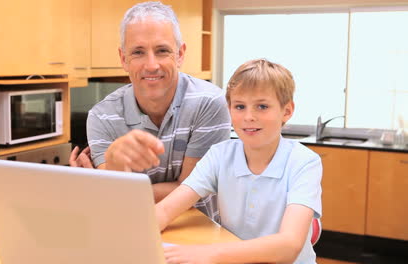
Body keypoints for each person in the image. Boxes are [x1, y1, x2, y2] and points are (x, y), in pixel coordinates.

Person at [69, 1, 231, 221]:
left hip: (198, 234)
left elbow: (194, 190)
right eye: (138, 52)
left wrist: (107, 182)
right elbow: (113, 196)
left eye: (162, 50)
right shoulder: (102, 115)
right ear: (123, 59)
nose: (151, 65)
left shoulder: (209, 103)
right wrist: (112, 173)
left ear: (180, 54)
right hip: (127, 229)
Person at [156, 59, 323, 264]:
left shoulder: (304, 162)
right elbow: (165, 210)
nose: (249, 116)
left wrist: (210, 254)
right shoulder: (219, 155)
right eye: (240, 106)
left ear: (287, 111)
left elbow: (289, 246)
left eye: (262, 106)